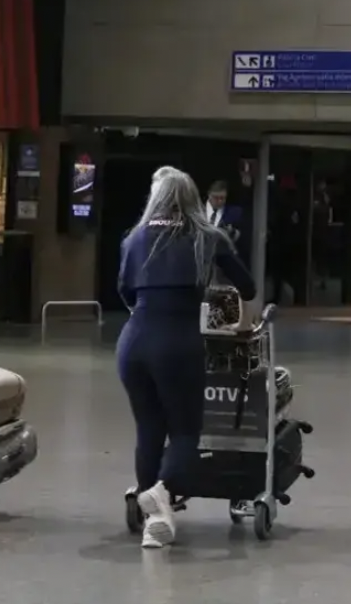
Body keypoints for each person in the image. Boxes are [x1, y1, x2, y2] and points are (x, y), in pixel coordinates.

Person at [118, 166, 255, 549]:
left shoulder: (134, 238)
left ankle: (155, 520)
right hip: (178, 343)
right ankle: (161, 494)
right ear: (194, 198)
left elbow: (125, 293)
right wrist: (239, 321)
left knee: (149, 429)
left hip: (132, 344)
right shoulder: (208, 237)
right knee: (184, 431)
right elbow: (247, 286)